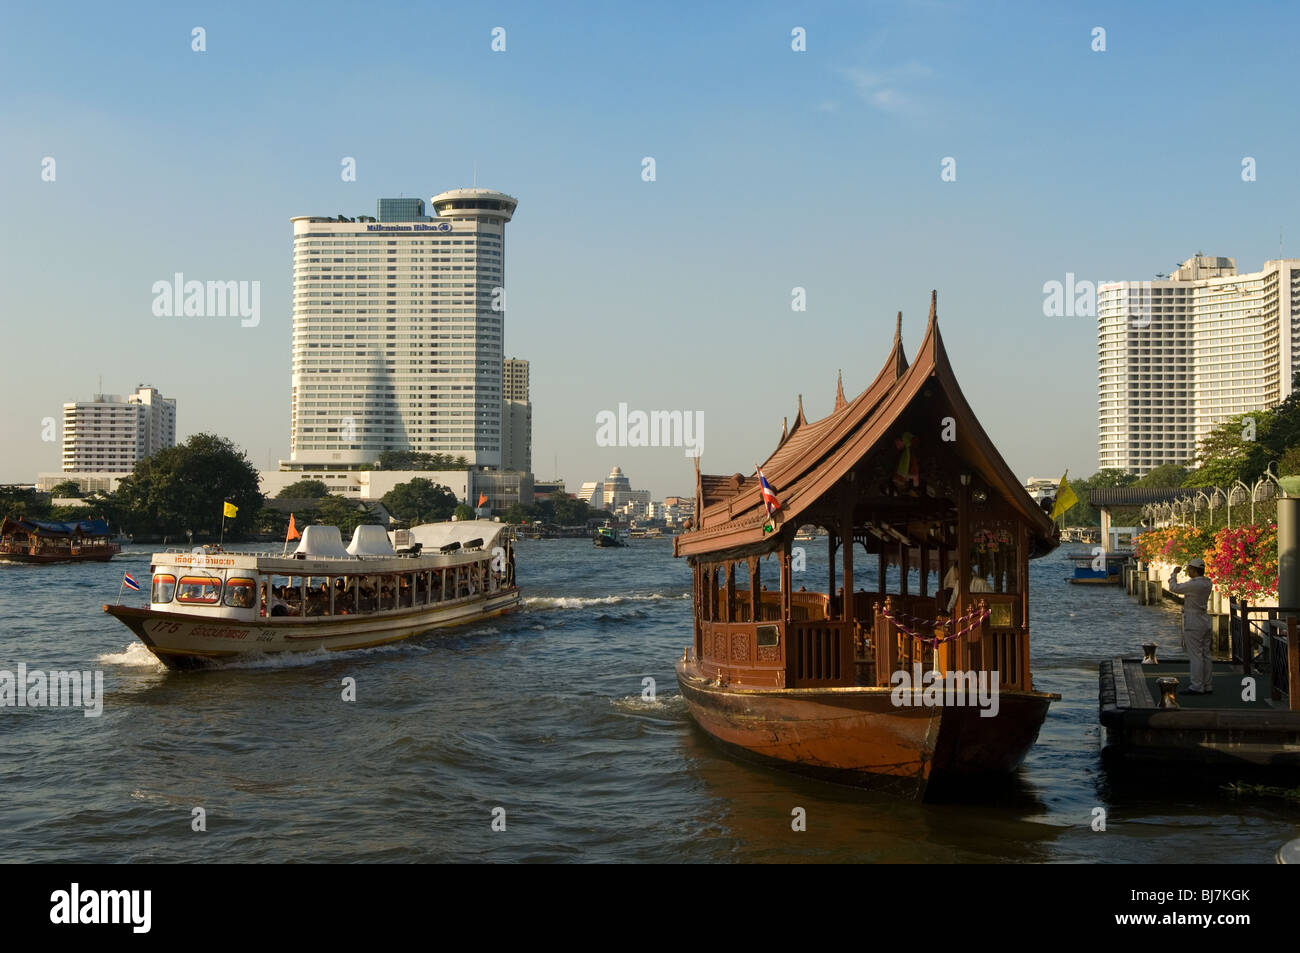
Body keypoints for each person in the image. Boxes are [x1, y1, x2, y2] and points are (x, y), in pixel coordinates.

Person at [1170, 556, 1214, 694]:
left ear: (1194, 570)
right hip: (1204, 620)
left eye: (1189, 569)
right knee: (1206, 654)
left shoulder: (1193, 584)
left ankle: (1196, 686)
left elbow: (1174, 587)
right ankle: (1207, 685)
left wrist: (1174, 574)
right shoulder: (1207, 583)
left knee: (1195, 655)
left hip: (1193, 621)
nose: (1188, 571)